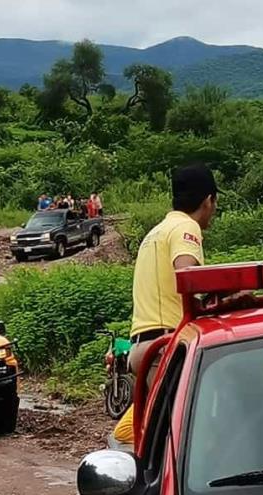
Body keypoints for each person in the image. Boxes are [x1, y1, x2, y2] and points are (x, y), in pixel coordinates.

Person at [112, 163, 220, 447]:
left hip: (143, 347)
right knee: (187, 440)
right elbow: (187, 276)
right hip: (166, 347)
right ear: (209, 200)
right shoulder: (187, 227)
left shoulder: (156, 232)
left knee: (156, 434)